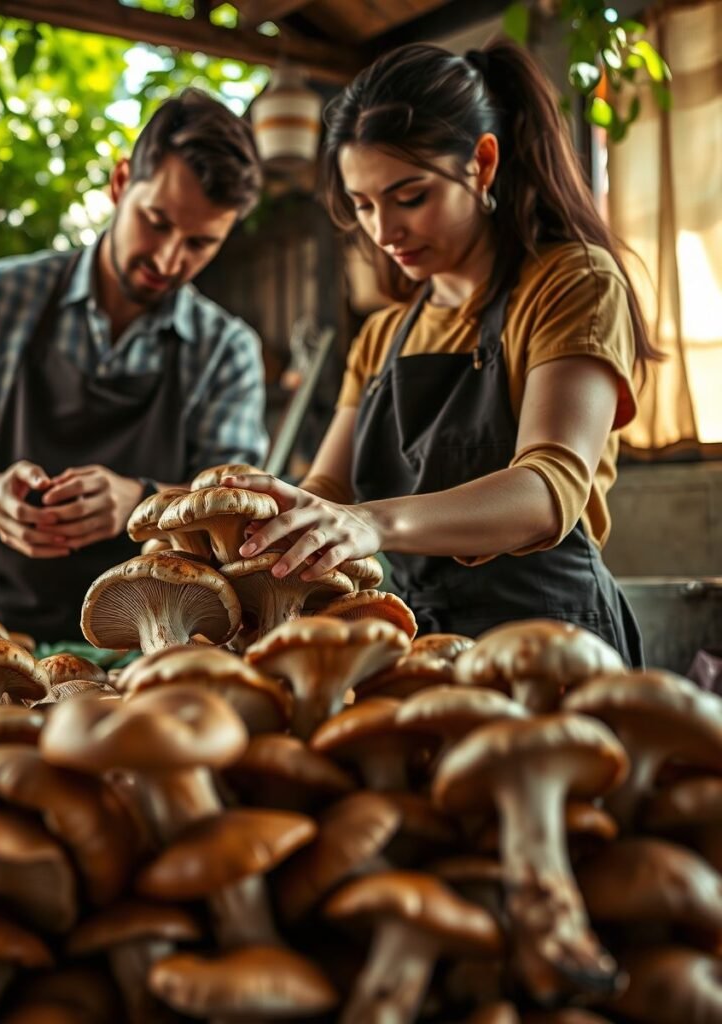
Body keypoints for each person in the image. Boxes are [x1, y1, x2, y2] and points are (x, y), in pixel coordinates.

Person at [227, 41, 656, 666]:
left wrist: (375, 523)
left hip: (552, 643)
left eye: (410, 197)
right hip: (417, 646)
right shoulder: (381, 336)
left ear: (481, 164)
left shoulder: (571, 282)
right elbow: (327, 488)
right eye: (364, 205)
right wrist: (276, 515)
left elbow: (547, 492)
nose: (384, 231)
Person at [0, 89, 269, 641]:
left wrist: (139, 502)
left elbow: (237, 521)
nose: (168, 259)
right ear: (120, 185)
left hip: (146, 650)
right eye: (156, 221)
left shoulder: (225, 350)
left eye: (199, 243)